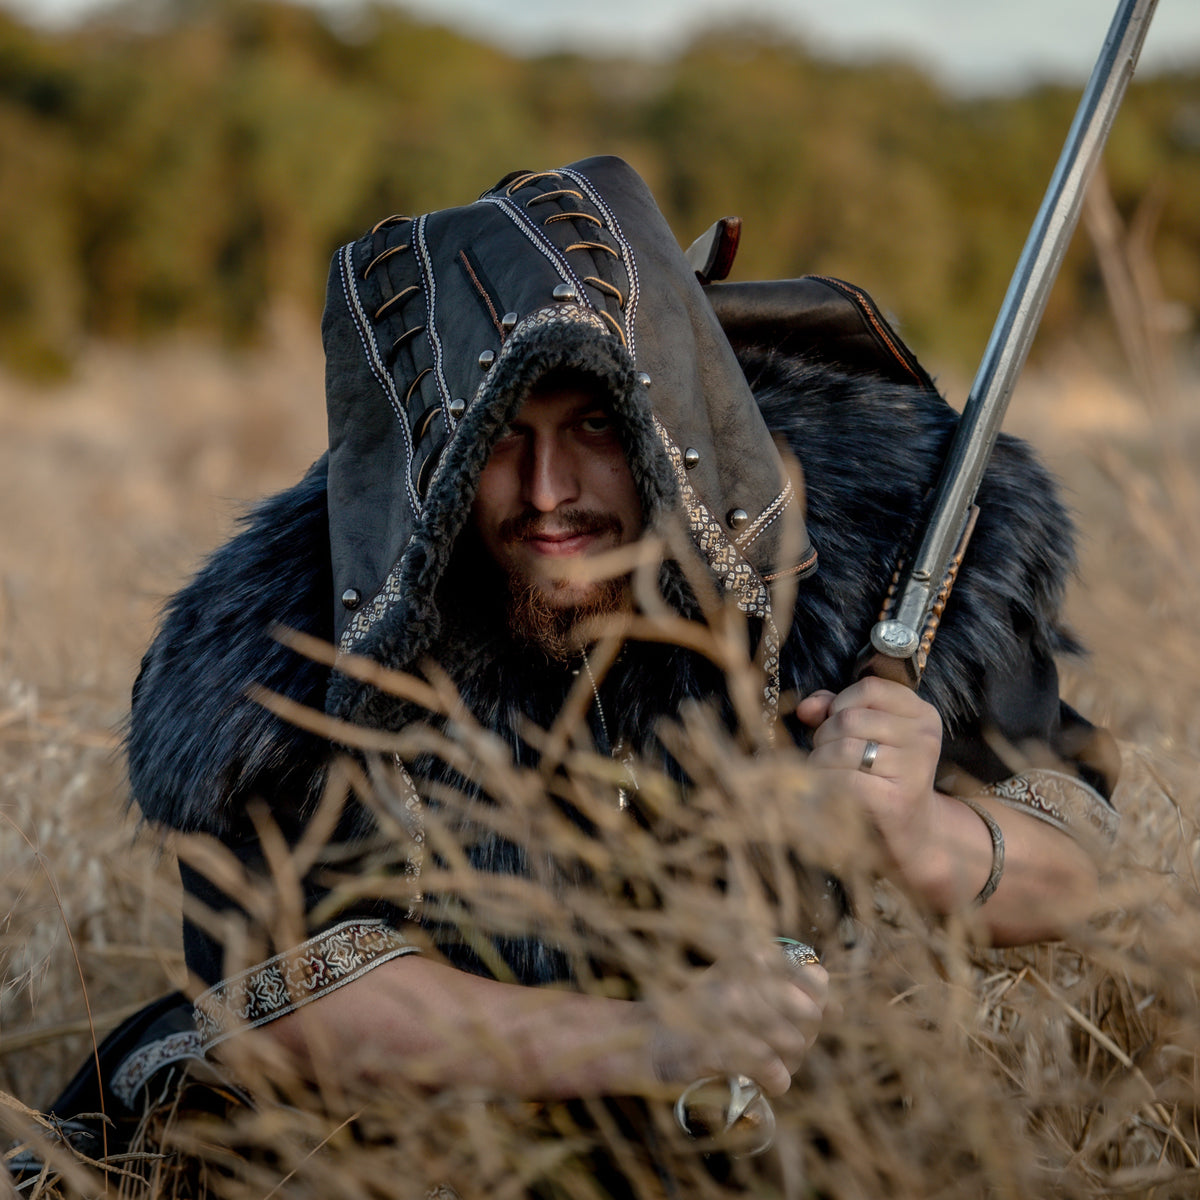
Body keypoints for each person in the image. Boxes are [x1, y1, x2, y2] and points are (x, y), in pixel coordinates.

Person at [23, 156, 1121, 1187]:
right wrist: (650, 1040)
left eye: (596, 426)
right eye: (503, 438)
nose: (549, 491)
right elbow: (276, 998)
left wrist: (924, 837)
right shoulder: (292, 631)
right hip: (409, 1138)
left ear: (671, 422)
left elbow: (1083, 874)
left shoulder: (879, 541)